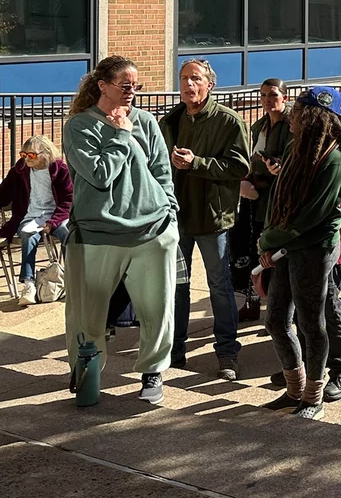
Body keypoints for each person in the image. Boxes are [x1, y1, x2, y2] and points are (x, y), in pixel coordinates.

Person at [63, 56, 179, 405]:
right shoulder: (79, 126)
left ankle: (153, 372)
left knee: (156, 311)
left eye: (136, 86)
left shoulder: (146, 122)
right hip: (97, 235)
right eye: (125, 85)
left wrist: (170, 214)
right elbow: (99, 176)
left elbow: (162, 172)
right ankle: (87, 373)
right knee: (87, 317)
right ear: (102, 85)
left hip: (153, 232)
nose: (132, 92)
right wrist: (120, 135)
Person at [258, 87, 341, 420]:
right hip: (286, 243)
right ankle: (294, 387)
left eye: (297, 109)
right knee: (275, 319)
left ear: (313, 116)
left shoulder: (334, 158)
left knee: (312, 323)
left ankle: (313, 397)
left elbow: (313, 214)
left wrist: (271, 239)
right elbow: (279, 193)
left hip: (313, 249)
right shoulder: (294, 145)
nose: (291, 114)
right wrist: (268, 239)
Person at [160, 59, 250, 381]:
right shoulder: (169, 121)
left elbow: (240, 167)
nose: (188, 84)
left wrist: (195, 163)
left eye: (195, 78)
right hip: (178, 220)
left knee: (219, 288)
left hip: (213, 219)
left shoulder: (229, 121)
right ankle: (175, 351)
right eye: (183, 78)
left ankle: (227, 352)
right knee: (176, 288)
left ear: (209, 84)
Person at [232, 79, 291, 322]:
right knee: (252, 250)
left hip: (281, 200)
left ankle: (286, 309)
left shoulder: (292, 125)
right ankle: (252, 300)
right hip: (256, 200)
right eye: (264, 95)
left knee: (278, 256)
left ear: (284, 97)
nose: (268, 99)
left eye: (273, 94)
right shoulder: (258, 127)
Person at [0, 136, 73, 306]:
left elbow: (68, 201)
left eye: (31, 155)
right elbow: (3, 195)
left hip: (57, 215)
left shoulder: (60, 170)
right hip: (31, 216)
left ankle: (73, 278)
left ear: (45, 153)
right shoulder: (19, 171)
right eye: (23, 154)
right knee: (27, 234)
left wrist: (52, 222)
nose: (26, 159)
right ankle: (29, 284)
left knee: (67, 233)